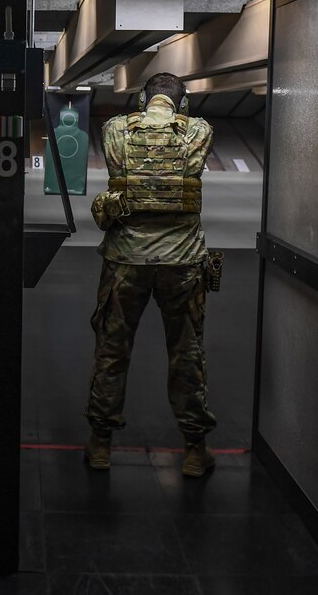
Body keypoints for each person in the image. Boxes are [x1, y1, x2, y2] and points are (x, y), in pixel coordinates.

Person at [85, 72, 217, 477]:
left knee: (112, 351)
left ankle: (101, 445)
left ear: (143, 99)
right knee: (186, 351)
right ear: (184, 103)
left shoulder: (115, 130)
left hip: (126, 260)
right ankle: (194, 450)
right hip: (182, 262)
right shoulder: (199, 131)